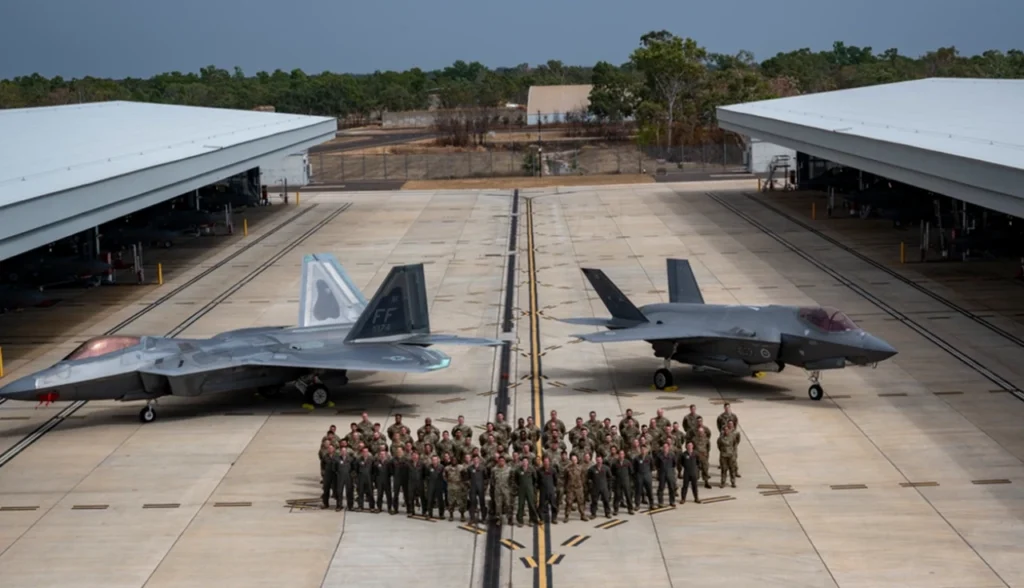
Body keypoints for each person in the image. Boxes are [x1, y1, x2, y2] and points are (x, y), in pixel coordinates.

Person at [514, 456, 541, 527]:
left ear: (528, 462)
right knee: (521, 505)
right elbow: (516, 480)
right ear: (521, 462)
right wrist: (518, 487)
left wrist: (532, 487)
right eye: (523, 461)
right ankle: (520, 520)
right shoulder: (518, 470)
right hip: (521, 490)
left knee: (531, 504)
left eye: (526, 461)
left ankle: (531, 520)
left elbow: (535, 479)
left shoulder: (531, 470)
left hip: (530, 489)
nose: (524, 463)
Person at [562, 454, 588, 522]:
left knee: (581, 502)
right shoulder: (567, 469)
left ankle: (582, 515)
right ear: (571, 460)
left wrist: (582, 485)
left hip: (579, 488)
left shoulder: (580, 468)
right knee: (569, 502)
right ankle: (566, 516)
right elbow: (565, 478)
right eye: (573, 460)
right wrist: (565, 488)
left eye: (575, 460)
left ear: (577, 460)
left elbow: (583, 478)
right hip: (570, 488)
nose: (574, 461)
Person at [717, 403, 740, 477]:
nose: (727, 409)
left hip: (732, 440)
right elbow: (718, 425)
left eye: (728, 407)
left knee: (734, 456)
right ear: (724, 408)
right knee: (723, 454)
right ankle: (723, 466)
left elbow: (735, 424)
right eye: (726, 407)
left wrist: (735, 443)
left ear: (730, 408)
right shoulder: (721, 417)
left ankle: (735, 471)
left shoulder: (733, 416)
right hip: (724, 437)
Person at [465, 455, 488, 524]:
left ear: (479, 460)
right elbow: (467, 478)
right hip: (473, 488)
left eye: (477, 459)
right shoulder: (469, 468)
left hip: (481, 488)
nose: (475, 461)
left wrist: (485, 487)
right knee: (472, 503)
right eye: (474, 459)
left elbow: (486, 478)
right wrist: (469, 486)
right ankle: (472, 518)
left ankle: (483, 518)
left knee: (482, 503)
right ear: (472, 460)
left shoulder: (483, 468)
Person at [611, 449, 634, 515]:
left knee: (628, 495)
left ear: (624, 455)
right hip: (618, 482)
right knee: (617, 496)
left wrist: (630, 481)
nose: (621, 455)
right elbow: (613, 472)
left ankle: (630, 509)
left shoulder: (628, 462)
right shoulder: (615, 463)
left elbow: (631, 472)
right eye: (620, 454)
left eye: (622, 454)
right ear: (618, 455)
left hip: (626, 481)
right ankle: (616, 510)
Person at [537, 457, 559, 525]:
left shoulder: (553, 470)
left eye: (547, 461)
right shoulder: (539, 471)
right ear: (543, 462)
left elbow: (555, 480)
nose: (546, 463)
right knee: (541, 506)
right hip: (543, 491)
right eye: (545, 462)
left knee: (553, 505)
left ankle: (554, 518)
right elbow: (537, 481)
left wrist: (554, 488)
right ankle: (542, 519)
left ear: (549, 462)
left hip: (551, 491)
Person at [445, 454, 468, 522]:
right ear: (451, 461)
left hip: (459, 486)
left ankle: (462, 515)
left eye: (455, 460)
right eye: (452, 460)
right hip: (451, 486)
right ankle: (451, 515)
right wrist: (449, 481)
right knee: (451, 502)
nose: (454, 461)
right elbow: (445, 476)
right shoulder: (447, 468)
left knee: (461, 502)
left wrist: (463, 484)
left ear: (457, 461)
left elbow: (465, 476)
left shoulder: (461, 467)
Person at [718, 421, 740, 488]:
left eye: (727, 430)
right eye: (725, 430)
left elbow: (735, 444)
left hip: (731, 456)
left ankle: (733, 482)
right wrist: (723, 451)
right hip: (723, 456)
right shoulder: (721, 438)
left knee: (732, 469)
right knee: (723, 470)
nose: (726, 431)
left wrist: (732, 452)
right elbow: (719, 445)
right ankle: (723, 482)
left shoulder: (732, 436)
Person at [655, 443, 678, 507]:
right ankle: (660, 502)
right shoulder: (659, 455)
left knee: (672, 488)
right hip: (662, 473)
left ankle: (672, 501)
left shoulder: (672, 455)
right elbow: (657, 464)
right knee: (661, 488)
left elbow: (674, 463)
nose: (665, 448)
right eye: (664, 447)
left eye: (666, 447)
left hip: (670, 473)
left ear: (668, 447)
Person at [333, 447, 355, 511]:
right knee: (339, 492)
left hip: (348, 477)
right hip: (340, 478)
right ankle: (339, 506)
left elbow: (354, 468)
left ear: (346, 452)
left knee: (350, 492)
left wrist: (352, 475)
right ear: (340, 452)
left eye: (345, 451)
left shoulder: (351, 459)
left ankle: (350, 506)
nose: (343, 452)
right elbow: (334, 468)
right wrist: (338, 474)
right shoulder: (337, 459)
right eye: (342, 451)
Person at [372, 449, 393, 514]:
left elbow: (391, 472)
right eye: (381, 454)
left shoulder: (389, 463)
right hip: (379, 481)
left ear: (386, 455)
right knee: (379, 495)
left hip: (387, 481)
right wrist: (375, 481)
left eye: (383, 454)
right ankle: (379, 508)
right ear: (379, 455)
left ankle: (389, 508)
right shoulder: (376, 463)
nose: (382, 455)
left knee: (388, 495)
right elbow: (374, 473)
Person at [405, 451, 426, 516]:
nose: (414, 456)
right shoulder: (408, 464)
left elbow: (425, 473)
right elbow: (405, 474)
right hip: (411, 483)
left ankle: (424, 511)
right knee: (411, 498)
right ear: (411, 456)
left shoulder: (422, 464)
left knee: (422, 498)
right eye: (413, 455)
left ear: (418, 456)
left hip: (420, 483)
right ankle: (411, 511)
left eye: (416, 455)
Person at [320, 445, 339, 510]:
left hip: (335, 475)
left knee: (336, 490)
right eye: (329, 448)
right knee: (326, 490)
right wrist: (323, 473)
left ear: (334, 449)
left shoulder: (337, 456)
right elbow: (322, 465)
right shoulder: (325, 456)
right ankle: (325, 504)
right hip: (327, 475)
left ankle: (338, 505)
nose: (330, 449)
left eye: (331, 448)